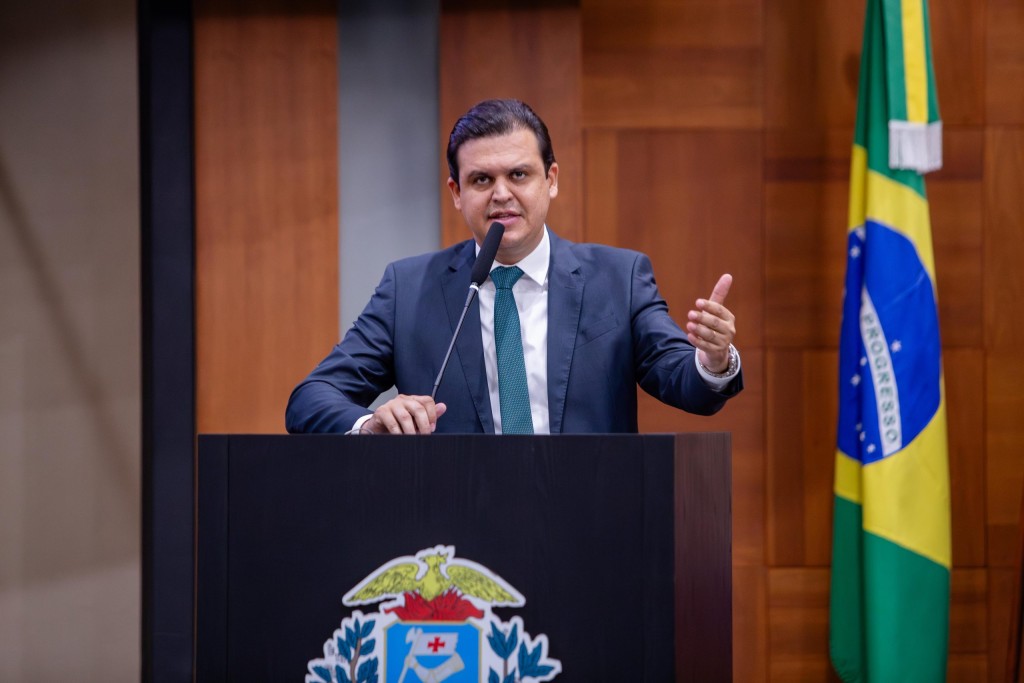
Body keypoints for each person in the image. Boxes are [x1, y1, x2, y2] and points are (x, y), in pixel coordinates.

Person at [286, 99, 742, 435]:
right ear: (456, 193)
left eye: (519, 175)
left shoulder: (618, 279)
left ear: (551, 180)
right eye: (481, 179)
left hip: (589, 516)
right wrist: (371, 424)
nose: (501, 194)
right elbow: (311, 398)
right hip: (458, 523)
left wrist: (713, 360)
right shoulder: (409, 289)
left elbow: (685, 383)